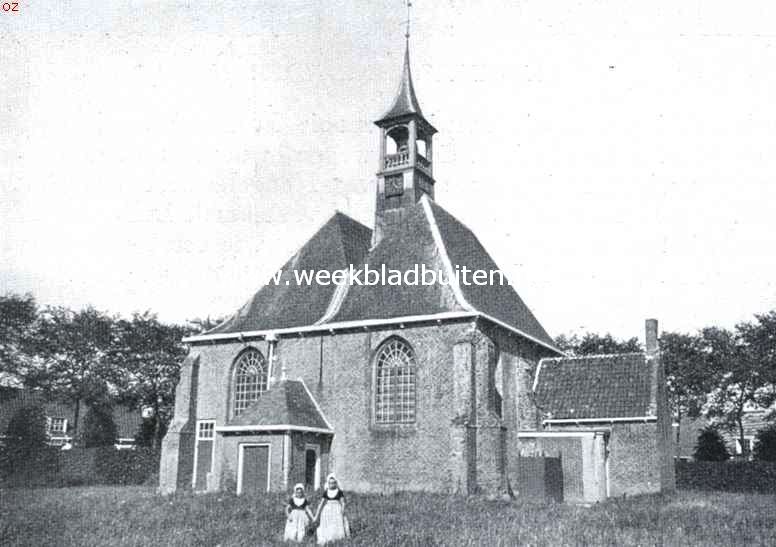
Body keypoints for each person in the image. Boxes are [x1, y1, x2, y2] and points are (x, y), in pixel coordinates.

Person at [314, 474, 350, 544]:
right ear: (328, 483)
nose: (332, 484)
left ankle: (336, 539)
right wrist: (316, 516)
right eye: (330, 483)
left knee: (336, 524)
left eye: (333, 483)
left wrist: (342, 510)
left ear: (336, 483)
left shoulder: (339, 492)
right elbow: (321, 504)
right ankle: (328, 538)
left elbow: (343, 502)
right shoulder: (326, 492)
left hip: (336, 510)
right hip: (327, 510)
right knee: (328, 524)